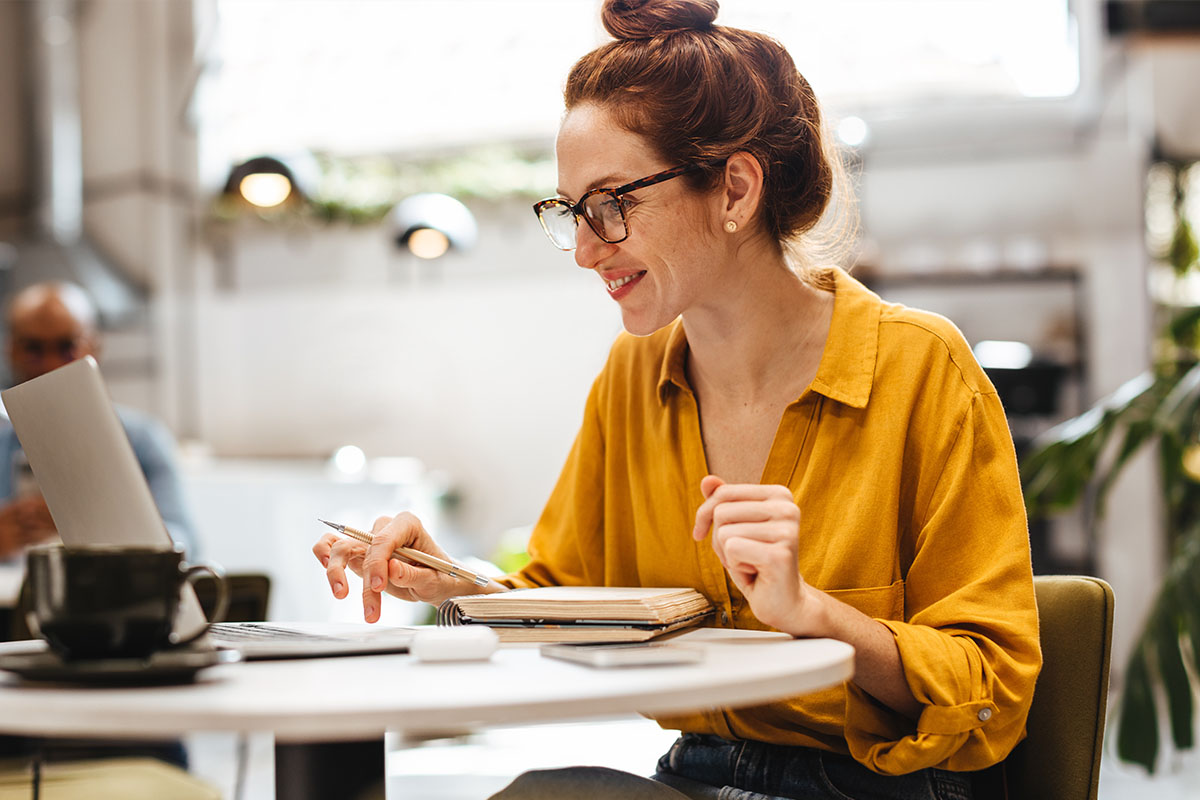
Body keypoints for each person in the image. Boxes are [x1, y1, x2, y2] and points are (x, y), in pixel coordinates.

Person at [314, 1, 1042, 797]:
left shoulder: (921, 368)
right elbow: (560, 596)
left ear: (735, 188)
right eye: (569, 212)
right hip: (694, 777)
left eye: (611, 203)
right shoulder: (634, 377)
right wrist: (447, 581)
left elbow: (991, 692)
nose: (587, 249)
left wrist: (815, 613)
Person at [0, 281, 197, 562]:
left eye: (66, 347)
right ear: (10, 350)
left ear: (93, 346)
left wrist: (113, 528)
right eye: (33, 348)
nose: (50, 364)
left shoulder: (142, 440)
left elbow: (185, 542)